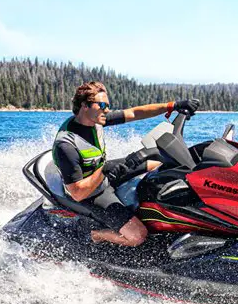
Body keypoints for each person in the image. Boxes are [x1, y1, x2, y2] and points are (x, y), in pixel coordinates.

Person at [52, 81, 200, 247]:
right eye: (102, 105)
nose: (106, 110)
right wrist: (104, 171)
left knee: (158, 162)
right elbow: (78, 193)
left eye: (108, 106)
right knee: (137, 236)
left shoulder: (95, 119)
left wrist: (172, 106)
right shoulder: (66, 145)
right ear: (84, 106)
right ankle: (97, 234)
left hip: (103, 173)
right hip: (91, 192)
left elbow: (134, 113)